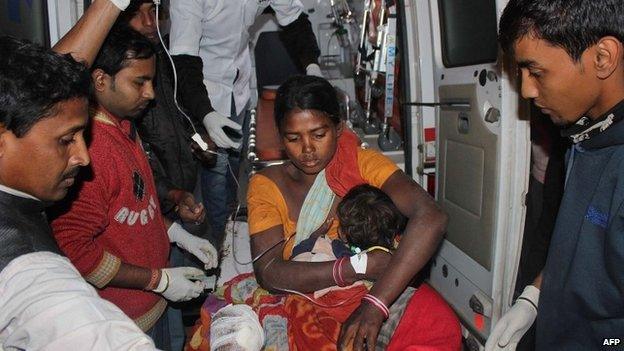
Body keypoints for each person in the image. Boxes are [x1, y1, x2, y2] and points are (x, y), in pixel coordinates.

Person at [246, 75, 461, 350]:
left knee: (438, 324)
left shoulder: (360, 164)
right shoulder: (266, 185)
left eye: (319, 135)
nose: (308, 149)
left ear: (338, 128)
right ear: (280, 137)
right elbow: (270, 273)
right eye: (293, 138)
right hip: (302, 298)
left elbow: (431, 216)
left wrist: (375, 305)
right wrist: (357, 267)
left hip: (370, 293)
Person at [0, 0, 159, 349]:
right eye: (66, 139)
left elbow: (42, 95)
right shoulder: (28, 269)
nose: (83, 156)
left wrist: (110, 4)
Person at [49, 26, 218, 349]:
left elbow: (134, 207)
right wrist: (160, 280)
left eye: (152, 81)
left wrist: (177, 234)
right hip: (125, 322)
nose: (151, 93)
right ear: (100, 80)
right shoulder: (92, 151)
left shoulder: (125, 124)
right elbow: (77, 253)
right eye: (139, 82)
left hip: (154, 303)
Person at [487, 0, 624, 350]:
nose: (528, 90)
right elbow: (580, 247)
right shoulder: (585, 132)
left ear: (603, 58)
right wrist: (535, 295)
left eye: (536, 71)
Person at [168, 0, 323, 248]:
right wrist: (205, 113)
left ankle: (229, 235)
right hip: (202, 89)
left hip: (238, 86)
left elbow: (294, 20)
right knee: (214, 180)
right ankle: (218, 251)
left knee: (233, 173)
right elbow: (184, 60)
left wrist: (312, 65)